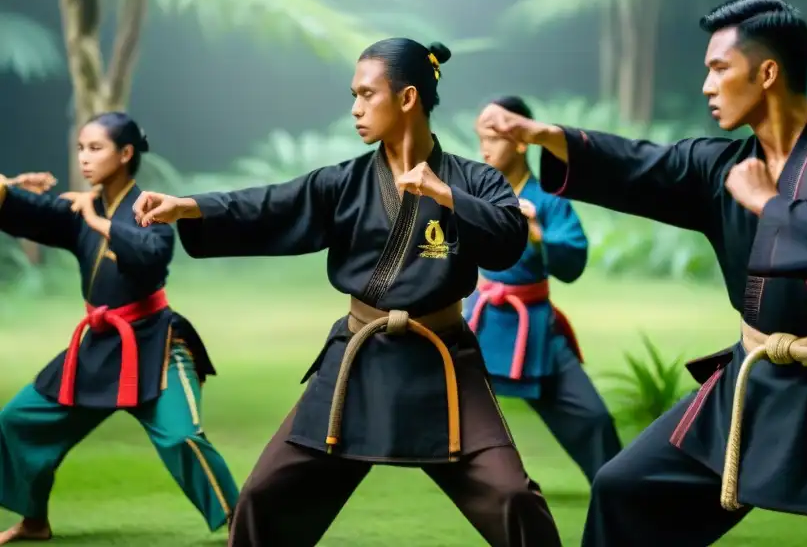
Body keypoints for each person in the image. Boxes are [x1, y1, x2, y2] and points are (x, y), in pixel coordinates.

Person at [477, 0, 807, 546]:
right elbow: (637, 164)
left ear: (767, 72)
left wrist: (767, 203)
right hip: (752, 389)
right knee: (624, 490)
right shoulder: (718, 166)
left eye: (719, 68)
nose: (707, 85)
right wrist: (538, 134)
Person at [131, 39, 563, 547]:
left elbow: (508, 238)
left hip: (443, 361)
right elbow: (273, 206)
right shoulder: (345, 183)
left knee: (512, 497)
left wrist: (448, 196)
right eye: (353, 95)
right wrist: (191, 207)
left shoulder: (475, 180)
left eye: (366, 94)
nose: (355, 109)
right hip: (357, 363)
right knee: (263, 499)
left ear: (406, 99)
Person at [0, 112, 237, 545]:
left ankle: (242, 522)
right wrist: (10, 187)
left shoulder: (150, 206)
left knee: (182, 437)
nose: (84, 159)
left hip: (155, 343)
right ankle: (33, 519)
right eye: (80, 149)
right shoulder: (81, 209)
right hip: (99, 347)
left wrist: (96, 221)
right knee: (18, 419)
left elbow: (150, 255)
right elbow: (27, 212)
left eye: (95, 148)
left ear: (125, 154)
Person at [467, 95, 621, 484]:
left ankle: (621, 490)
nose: (485, 148)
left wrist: (536, 234)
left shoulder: (549, 201)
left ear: (521, 141)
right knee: (438, 400)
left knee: (593, 418)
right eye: (480, 138)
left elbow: (572, 258)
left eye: (494, 137)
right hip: (479, 322)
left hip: (532, 327)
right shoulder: (473, 195)